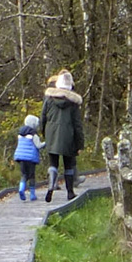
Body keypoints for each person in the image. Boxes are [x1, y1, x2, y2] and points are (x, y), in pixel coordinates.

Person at [40, 69, 84, 202]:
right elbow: (77, 125)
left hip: (51, 134)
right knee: (68, 165)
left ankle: (50, 186)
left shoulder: (49, 99)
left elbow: (43, 118)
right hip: (68, 137)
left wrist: (44, 133)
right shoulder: (73, 103)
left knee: (53, 163)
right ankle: (70, 192)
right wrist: (80, 143)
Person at [12, 115, 42, 200]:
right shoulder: (34, 135)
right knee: (31, 176)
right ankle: (32, 194)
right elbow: (38, 146)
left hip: (21, 158)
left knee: (24, 175)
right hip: (30, 158)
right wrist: (46, 143)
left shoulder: (20, 134)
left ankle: (21, 188)